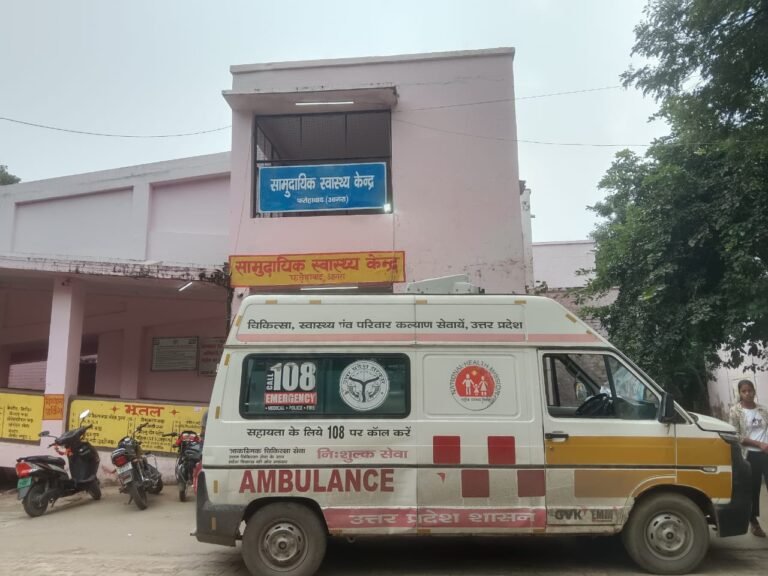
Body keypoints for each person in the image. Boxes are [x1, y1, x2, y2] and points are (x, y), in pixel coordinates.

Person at [729, 379, 768, 537]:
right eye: (744, 391)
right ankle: (754, 522)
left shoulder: (763, 410)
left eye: (750, 390)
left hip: (766, 453)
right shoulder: (735, 411)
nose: (747, 394)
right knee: (753, 489)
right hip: (750, 455)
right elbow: (735, 435)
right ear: (739, 393)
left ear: (754, 391)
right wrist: (759, 444)